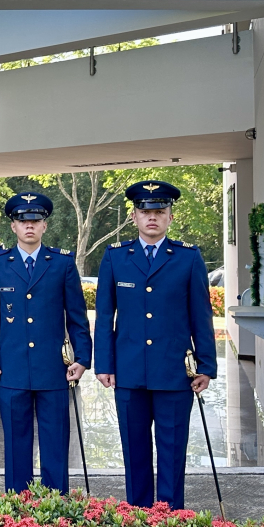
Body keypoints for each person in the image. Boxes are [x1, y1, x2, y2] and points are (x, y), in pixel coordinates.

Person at [94, 180, 217, 509]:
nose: (152, 218)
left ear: (170, 217)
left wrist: (205, 365)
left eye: (159, 212)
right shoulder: (116, 257)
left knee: (172, 449)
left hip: (174, 371)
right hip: (129, 371)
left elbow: (201, 316)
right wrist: (103, 364)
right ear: (134, 216)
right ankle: (137, 515)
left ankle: (169, 517)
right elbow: (105, 315)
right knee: (134, 450)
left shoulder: (188, 258)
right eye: (145, 212)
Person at [0, 193, 91, 494]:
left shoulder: (62, 264)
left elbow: (77, 318)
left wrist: (82, 358)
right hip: (12, 368)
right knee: (16, 444)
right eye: (22, 221)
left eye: (35, 221)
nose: (29, 226)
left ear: (44, 226)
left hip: (53, 369)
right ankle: (19, 506)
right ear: (13, 227)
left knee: (55, 440)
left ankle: (55, 506)